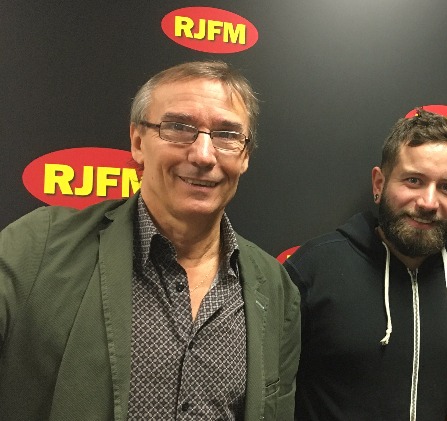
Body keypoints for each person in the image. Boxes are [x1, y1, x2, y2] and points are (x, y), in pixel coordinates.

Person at [0, 61, 301, 420]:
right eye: (178, 127)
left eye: (226, 135)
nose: (203, 155)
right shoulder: (39, 247)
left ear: (245, 155)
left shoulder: (276, 289)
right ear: (138, 142)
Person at [284, 108, 447, 420]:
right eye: (414, 181)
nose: (429, 202)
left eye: (446, 187)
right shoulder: (314, 270)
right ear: (379, 183)